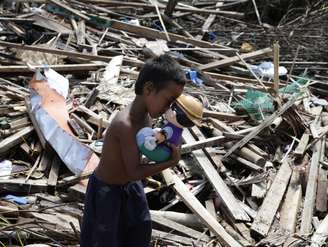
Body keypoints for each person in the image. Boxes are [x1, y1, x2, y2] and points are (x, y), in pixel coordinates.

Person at [80, 54, 186, 247]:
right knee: (106, 240)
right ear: (149, 89)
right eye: (168, 100)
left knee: (139, 231)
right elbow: (134, 171)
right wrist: (170, 162)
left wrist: (164, 143)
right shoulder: (125, 125)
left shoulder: (145, 117)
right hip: (108, 192)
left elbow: (140, 155)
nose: (168, 108)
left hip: (130, 187)